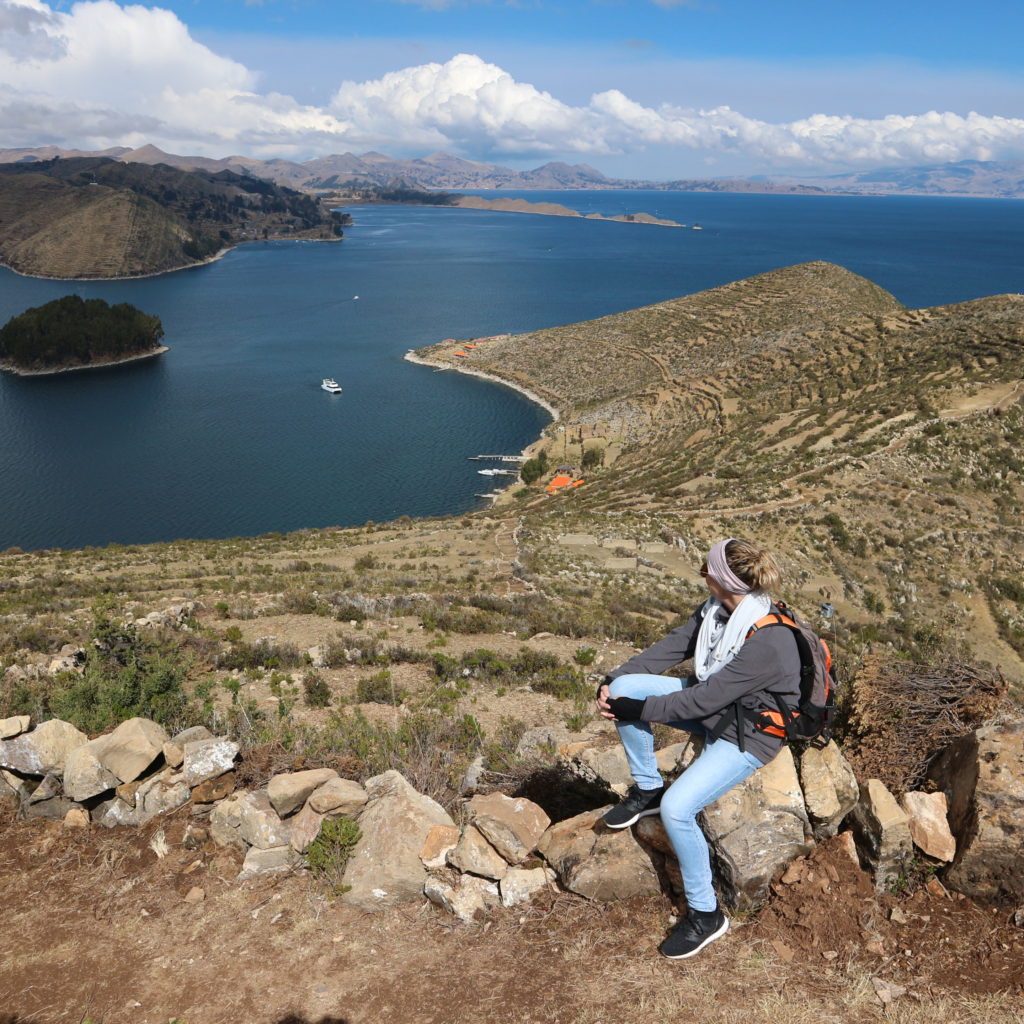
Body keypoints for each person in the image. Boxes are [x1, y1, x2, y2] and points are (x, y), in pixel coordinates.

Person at [595, 537, 801, 960]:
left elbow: (701, 700)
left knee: (678, 808)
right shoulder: (715, 611)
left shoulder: (768, 639)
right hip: (718, 709)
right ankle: (647, 787)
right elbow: (670, 649)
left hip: (749, 733)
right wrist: (614, 682)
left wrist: (638, 707)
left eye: (705, 569)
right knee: (625, 688)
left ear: (721, 579)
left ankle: (706, 914)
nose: (701, 574)